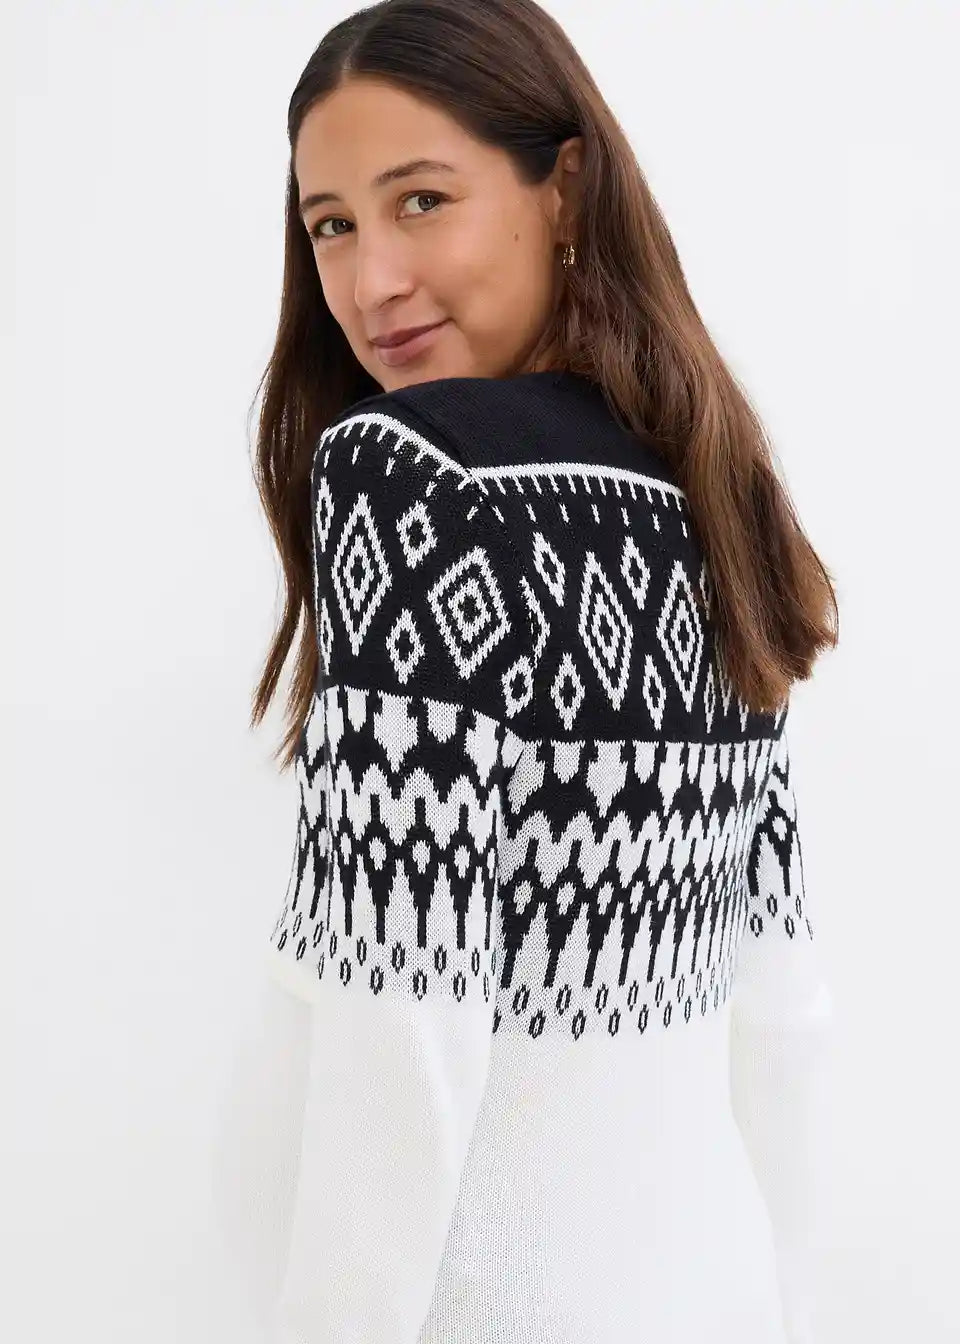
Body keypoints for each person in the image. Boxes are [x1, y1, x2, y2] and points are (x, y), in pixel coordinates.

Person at [210, 2, 840, 1342]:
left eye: (420, 201)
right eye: (331, 226)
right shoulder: (711, 487)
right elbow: (783, 1000)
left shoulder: (412, 472)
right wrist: (791, 1301)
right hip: (704, 1291)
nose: (371, 281)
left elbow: (403, 1006)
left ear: (564, 188)